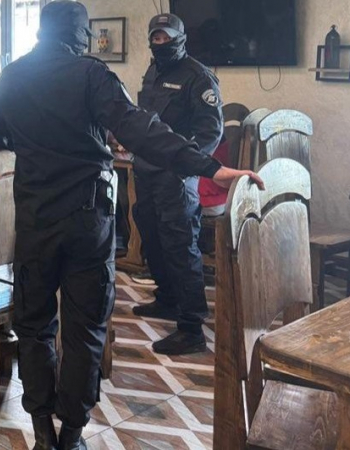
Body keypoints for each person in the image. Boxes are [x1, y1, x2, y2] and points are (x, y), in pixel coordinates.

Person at [0, 2, 263, 449]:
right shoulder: (91, 74)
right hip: (87, 220)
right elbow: (140, 129)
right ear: (81, 34)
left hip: (35, 219)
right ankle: (72, 436)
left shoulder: (11, 76)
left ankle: (42, 433)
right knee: (85, 328)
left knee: (34, 327)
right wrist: (210, 167)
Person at [131, 13, 224, 356]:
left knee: (180, 245)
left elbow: (211, 132)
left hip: (176, 175)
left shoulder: (198, 77)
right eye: (156, 38)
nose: (161, 43)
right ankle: (167, 299)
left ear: (180, 38)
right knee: (152, 238)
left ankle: (191, 327)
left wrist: (185, 166)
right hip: (146, 170)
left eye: (167, 37)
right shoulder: (153, 71)